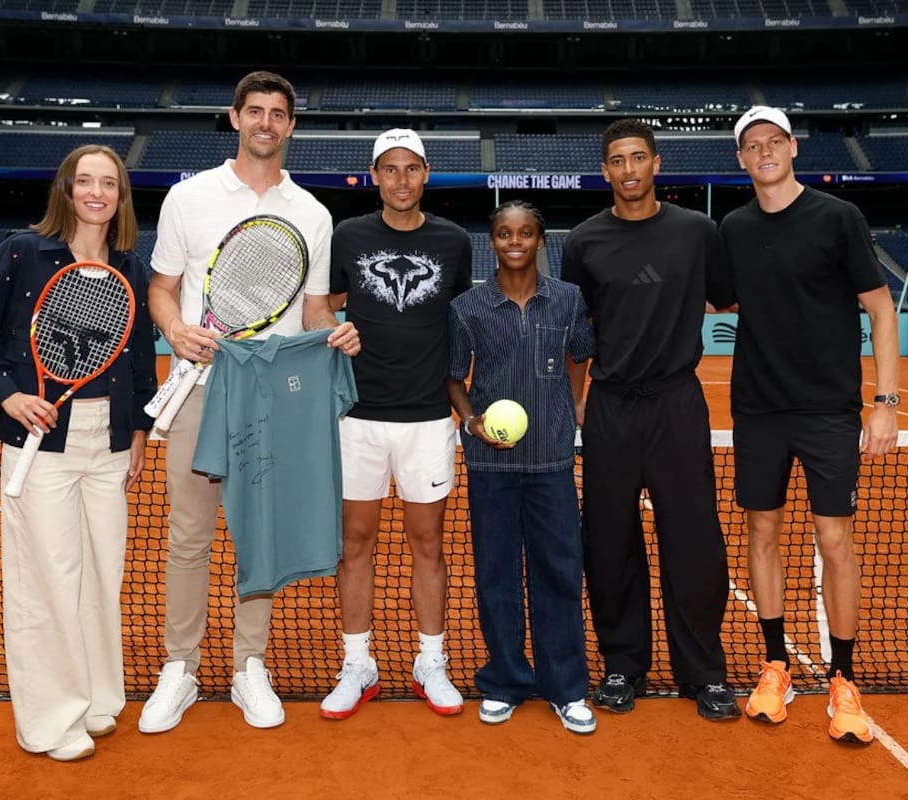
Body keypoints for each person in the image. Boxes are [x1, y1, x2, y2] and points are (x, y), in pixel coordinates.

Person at [139, 70, 359, 734]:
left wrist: (336, 335)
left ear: (291, 126)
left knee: (259, 537)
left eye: (278, 113)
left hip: (277, 402)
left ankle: (248, 666)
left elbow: (315, 309)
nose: (265, 122)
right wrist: (174, 328)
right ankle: (179, 668)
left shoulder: (314, 215)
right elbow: (162, 287)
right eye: (254, 110)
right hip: (202, 392)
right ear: (235, 118)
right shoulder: (190, 198)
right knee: (189, 536)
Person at [0, 144, 157, 761]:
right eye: (84, 182)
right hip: (43, 444)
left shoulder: (130, 267)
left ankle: (95, 699)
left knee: (101, 575)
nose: (97, 193)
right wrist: (9, 398)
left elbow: (139, 358)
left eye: (109, 184)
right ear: (65, 190)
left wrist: (140, 431)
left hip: (110, 442)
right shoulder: (21, 253)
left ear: (121, 197)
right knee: (47, 580)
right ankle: (46, 721)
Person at [721, 106, 900, 745]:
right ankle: (776, 665)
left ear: (792, 148)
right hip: (759, 410)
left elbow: (880, 309)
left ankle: (843, 679)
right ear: (740, 159)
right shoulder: (734, 229)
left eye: (774, 141)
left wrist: (885, 401)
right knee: (761, 531)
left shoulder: (837, 218)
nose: (764, 152)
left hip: (828, 412)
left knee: (835, 540)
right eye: (752, 145)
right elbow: (719, 295)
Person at [560, 118, 741, 721]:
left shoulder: (698, 232)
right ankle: (622, 665)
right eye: (617, 160)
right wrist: (578, 399)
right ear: (606, 170)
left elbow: (729, 299)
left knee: (694, 542)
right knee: (609, 543)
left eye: (639, 157)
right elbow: (577, 333)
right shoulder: (584, 241)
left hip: (677, 403)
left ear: (656, 164)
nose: (629, 169)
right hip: (610, 406)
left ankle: (705, 673)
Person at [318, 128, 472, 720]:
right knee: (355, 542)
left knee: (427, 543)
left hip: (429, 418)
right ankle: (358, 663)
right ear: (374, 176)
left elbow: (460, 316)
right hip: (356, 416)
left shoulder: (454, 240)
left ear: (426, 174)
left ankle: (429, 660)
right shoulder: (349, 235)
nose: (401, 179)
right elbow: (322, 302)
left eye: (412, 169)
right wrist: (334, 331)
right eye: (390, 169)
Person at [446, 200, 597, 734]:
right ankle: (505, 681)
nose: (516, 241)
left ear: (540, 240)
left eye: (526, 232)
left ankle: (566, 687)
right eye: (506, 233)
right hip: (490, 465)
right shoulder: (468, 307)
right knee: (497, 576)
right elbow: (453, 378)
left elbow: (581, 353)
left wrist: (573, 405)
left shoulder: (568, 300)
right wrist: (470, 422)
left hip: (552, 461)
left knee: (559, 572)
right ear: (493, 241)